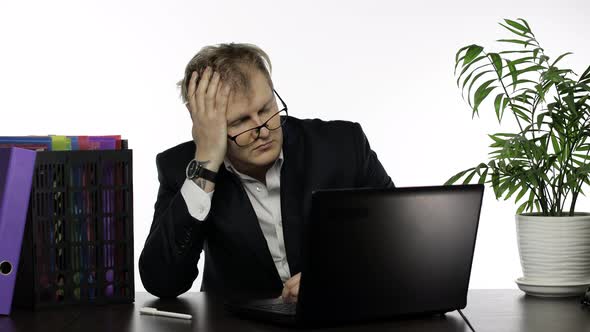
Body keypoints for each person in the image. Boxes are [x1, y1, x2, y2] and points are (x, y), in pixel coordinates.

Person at [139, 43, 394, 302]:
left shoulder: (343, 145)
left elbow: (398, 239)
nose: (261, 129)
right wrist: (205, 165)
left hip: (340, 314)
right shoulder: (182, 168)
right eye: (239, 121)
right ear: (206, 125)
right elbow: (162, 282)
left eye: (266, 109)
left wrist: (338, 278)